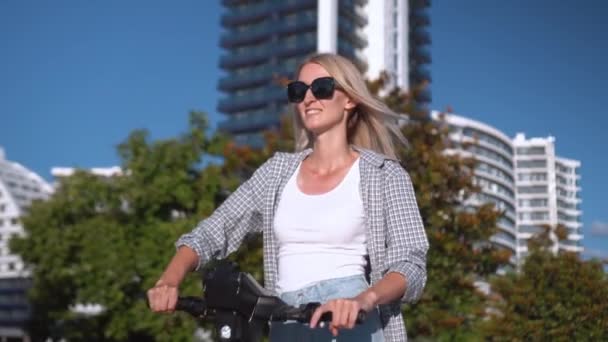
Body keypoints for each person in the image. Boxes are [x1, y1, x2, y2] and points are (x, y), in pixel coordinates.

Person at [147, 53, 428, 342]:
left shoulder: (384, 174)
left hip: (347, 319)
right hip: (285, 317)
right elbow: (215, 229)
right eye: (298, 91)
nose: (308, 98)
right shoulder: (276, 173)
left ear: (350, 99)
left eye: (321, 88)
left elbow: (410, 264)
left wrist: (364, 300)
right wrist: (169, 280)